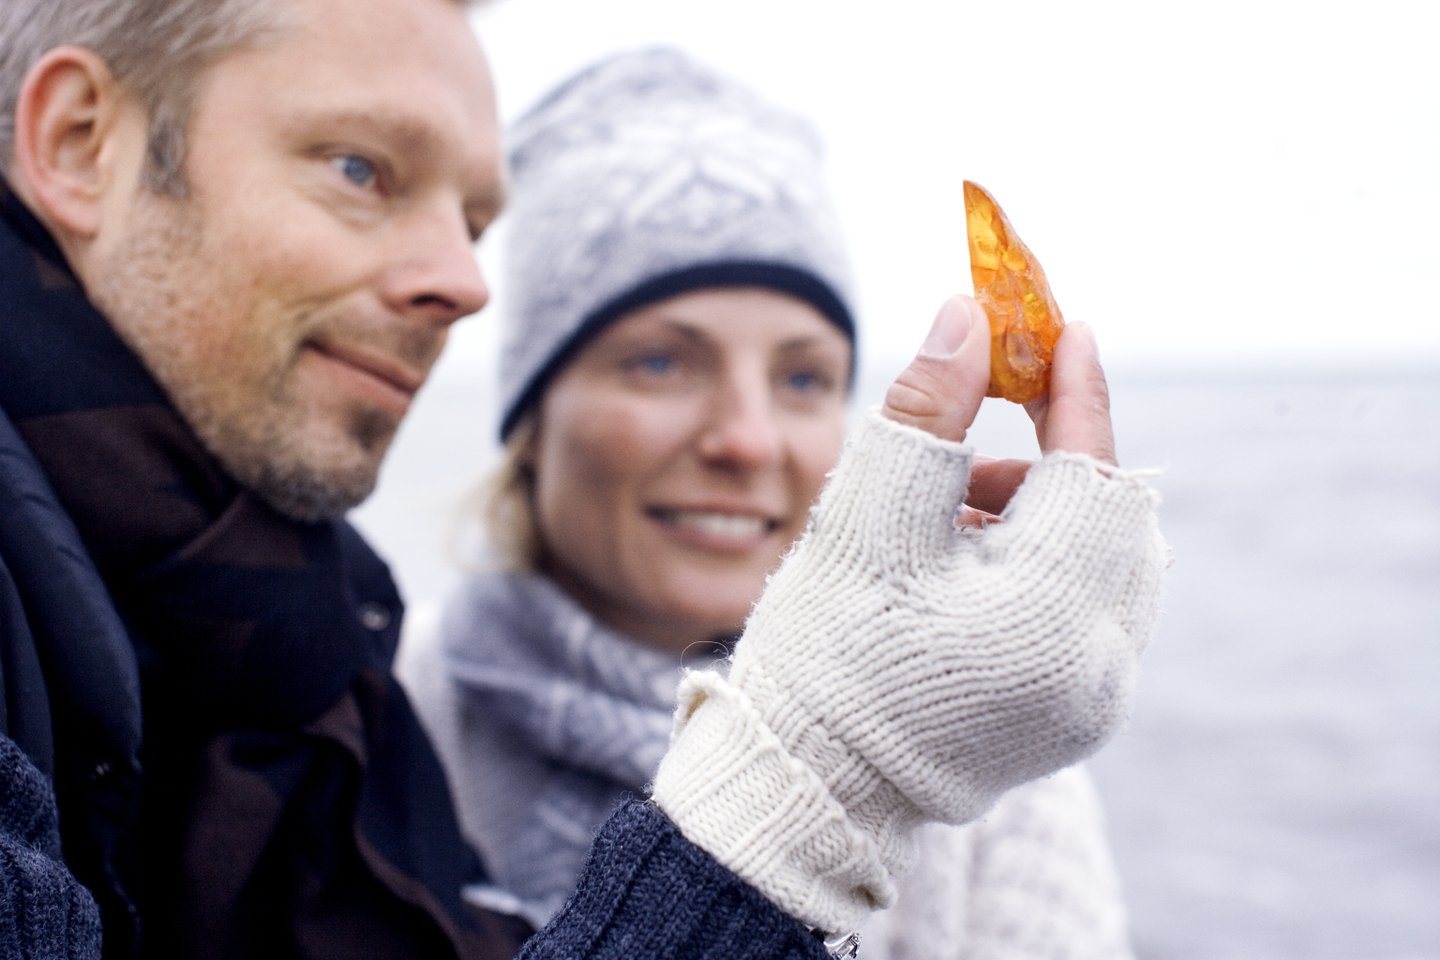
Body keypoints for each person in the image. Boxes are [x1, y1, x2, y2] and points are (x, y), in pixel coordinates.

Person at [0, 0, 1166, 957]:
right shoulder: (382, 707)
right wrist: (822, 772)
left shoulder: (291, 670)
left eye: (808, 378)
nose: (466, 279)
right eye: (361, 168)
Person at [398, 47, 1137, 960]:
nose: (747, 439)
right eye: (660, 362)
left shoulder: (975, 770)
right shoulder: (381, 713)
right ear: (532, 417)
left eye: (802, 376)